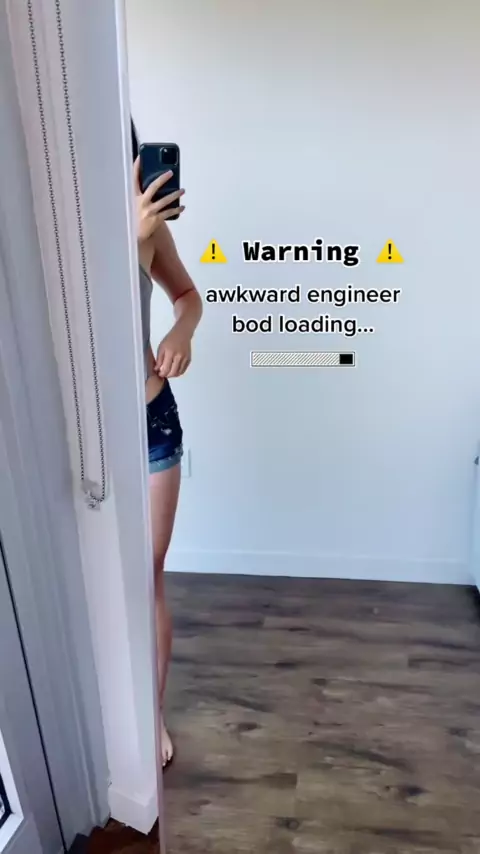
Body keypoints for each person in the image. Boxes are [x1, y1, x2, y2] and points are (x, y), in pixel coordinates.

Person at [131, 120, 202, 767]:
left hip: (150, 419)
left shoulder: (151, 226)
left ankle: (149, 716)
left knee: (146, 576)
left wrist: (181, 332)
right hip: (84, 436)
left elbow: (187, 296)